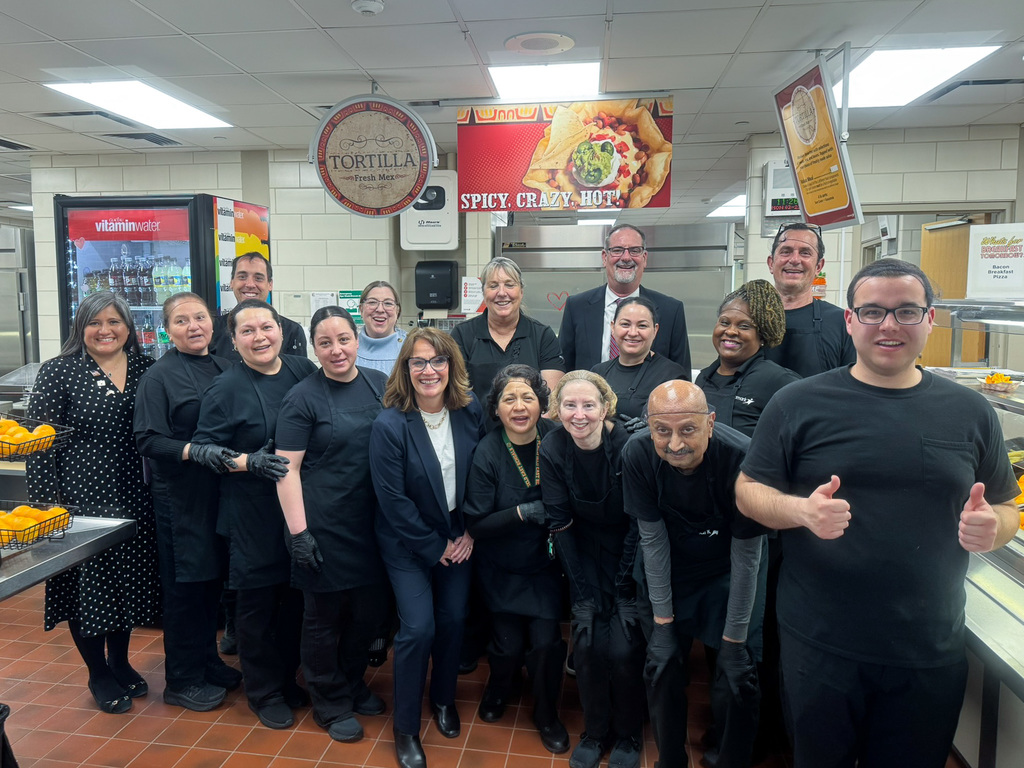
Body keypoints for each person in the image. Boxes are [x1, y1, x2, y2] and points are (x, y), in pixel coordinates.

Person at [736, 258, 1020, 768]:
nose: (888, 325)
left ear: (931, 320)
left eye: (906, 311)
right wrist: (801, 511)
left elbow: (1005, 507)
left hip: (928, 646)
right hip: (819, 645)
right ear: (850, 321)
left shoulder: (971, 411)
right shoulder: (798, 402)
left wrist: (993, 527)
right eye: (872, 311)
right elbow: (748, 489)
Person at [26, 291, 158, 715]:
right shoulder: (60, 372)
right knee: (87, 587)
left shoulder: (145, 367)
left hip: (135, 494)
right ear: (80, 327)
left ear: (128, 328)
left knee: (126, 582)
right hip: (80, 499)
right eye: (95, 322)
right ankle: (97, 672)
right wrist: (47, 507)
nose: (106, 330)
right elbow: (38, 444)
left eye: (115, 322)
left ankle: (119, 661)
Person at [625, 380, 767, 768]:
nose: (674, 444)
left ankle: (730, 757)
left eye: (688, 429)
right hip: (668, 566)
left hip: (729, 569)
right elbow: (652, 543)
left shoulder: (742, 457)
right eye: (662, 431)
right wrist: (664, 625)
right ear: (649, 425)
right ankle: (670, 759)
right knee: (663, 669)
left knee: (738, 678)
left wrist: (736, 640)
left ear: (710, 422)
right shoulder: (637, 454)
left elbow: (747, 554)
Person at [192, 299, 317, 730]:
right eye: (248, 331)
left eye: (266, 327)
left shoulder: (303, 371)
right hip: (251, 515)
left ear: (280, 329)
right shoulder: (225, 388)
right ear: (234, 339)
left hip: (298, 510)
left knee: (294, 604)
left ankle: (287, 679)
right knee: (257, 608)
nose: (260, 337)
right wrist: (249, 462)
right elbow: (204, 450)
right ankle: (263, 692)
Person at [369, 328, 485, 768]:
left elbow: (484, 475)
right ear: (405, 369)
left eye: (437, 361)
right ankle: (405, 728)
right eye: (418, 362)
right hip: (407, 540)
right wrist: (434, 546)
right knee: (418, 629)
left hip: (459, 534)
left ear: (451, 365)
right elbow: (392, 500)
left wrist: (470, 532)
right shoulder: (390, 423)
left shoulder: (469, 409)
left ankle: (442, 699)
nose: (428, 370)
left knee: (454, 618)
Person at [274, 306, 389, 743]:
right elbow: (287, 471)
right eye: (325, 342)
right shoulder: (302, 397)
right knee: (322, 620)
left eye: (344, 339)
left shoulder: (379, 385)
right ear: (314, 348)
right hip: (321, 523)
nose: (337, 350)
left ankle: (353, 682)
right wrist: (299, 534)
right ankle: (329, 701)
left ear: (357, 340)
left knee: (368, 616)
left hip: (371, 525)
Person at [134, 292, 241, 712]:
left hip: (220, 494)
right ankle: (181, 679)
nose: (193, 326)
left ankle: (207, 661)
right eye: (182, 321)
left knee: (211, 583)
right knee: (184, 589)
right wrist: (192, 451)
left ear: (212, 323)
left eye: (200, 317)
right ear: (167, 330)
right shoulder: (158, 377)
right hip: (181, 498)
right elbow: (147, 438)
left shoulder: (224, 366)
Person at [463, 365, 569, 755]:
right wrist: (521, 514)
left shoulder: (557, 438)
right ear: (496, 408)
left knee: (545, 645)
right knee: (506, 646)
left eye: (528, 397)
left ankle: (546, 713)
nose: (520, 406)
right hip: (502, 567)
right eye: (509, 398)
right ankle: (498, 687)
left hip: (546, 568)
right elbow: (476, 522)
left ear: (543, 403)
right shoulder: (487, 451)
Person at [541, 371, 644, 768]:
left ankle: (630, 734)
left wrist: (622, 588)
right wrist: (581, 594)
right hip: (582, 553)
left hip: (630, 556)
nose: (579, 415)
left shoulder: (629, 445)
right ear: (557, 409)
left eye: (588, 405)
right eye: (570, 405)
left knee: (624, 647)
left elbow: (638, 522)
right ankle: (595, 731)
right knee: (585, 644)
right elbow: (560, 522)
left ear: (606, 407)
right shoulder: (551, 447)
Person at [559, 224, 691, 374]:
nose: (626, 257)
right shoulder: (577, 306)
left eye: (635, 250)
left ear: (644, 258)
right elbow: (564, 368)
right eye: (617, 250)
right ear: (604, 257)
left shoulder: (671, 311)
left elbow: (681, 374)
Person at [451, 256, 565, 401]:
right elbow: (456, 393)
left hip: (531, 423)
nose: (502, 293)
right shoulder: (462, 335)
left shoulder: (543, 336)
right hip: (477, 424)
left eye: (509, 285)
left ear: (521, 291)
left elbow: (551, 400)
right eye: (493, 286)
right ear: (483, 292)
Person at [695, 280, 799, 437]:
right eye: (724, 322)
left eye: (744, 326)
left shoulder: (779, 381)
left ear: (762, 336)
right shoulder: (702, 379)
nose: (730, 331)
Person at [762, 223, 854, 378]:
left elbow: (853, 387)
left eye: (805, 253)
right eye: (786, 252)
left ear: (819, 266)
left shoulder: (841, 323)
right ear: (771, 263)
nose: (795, 259)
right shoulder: (748, 317)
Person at [591, 296, 687, 428]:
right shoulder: (598, 373)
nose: (632, 332)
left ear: (655, 330)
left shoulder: (672, 376)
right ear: (613, 327)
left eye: (642, 325)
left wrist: (650, 427)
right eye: (625, 324)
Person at [208, 252, 307, 362]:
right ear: (232, 282)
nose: (250, 284)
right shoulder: (213, 329)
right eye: (242, 277)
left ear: (270, 284)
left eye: (258, 278)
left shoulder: (292, 331)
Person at [355, 280, 407, 374]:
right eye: (372, 302)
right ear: (361, 309)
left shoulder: (411, 346)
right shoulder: (349, 348)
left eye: (388, 303)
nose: (380, 309)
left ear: (397, 310)